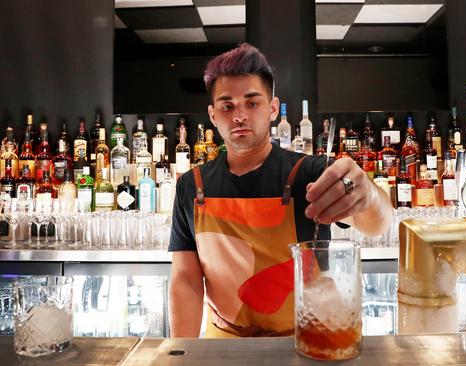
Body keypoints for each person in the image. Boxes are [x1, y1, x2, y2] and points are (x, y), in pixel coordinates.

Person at [168, 43, 392, 338]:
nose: (239, 116)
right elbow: (186, 278)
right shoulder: (191, 185)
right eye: (227, 105)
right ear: (212, 115)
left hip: (307, 338)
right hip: (223, 343)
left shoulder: (310, 174)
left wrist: (369, 196)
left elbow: (377, 224)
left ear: (273, 108)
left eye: (252, 103)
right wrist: (182, 353)